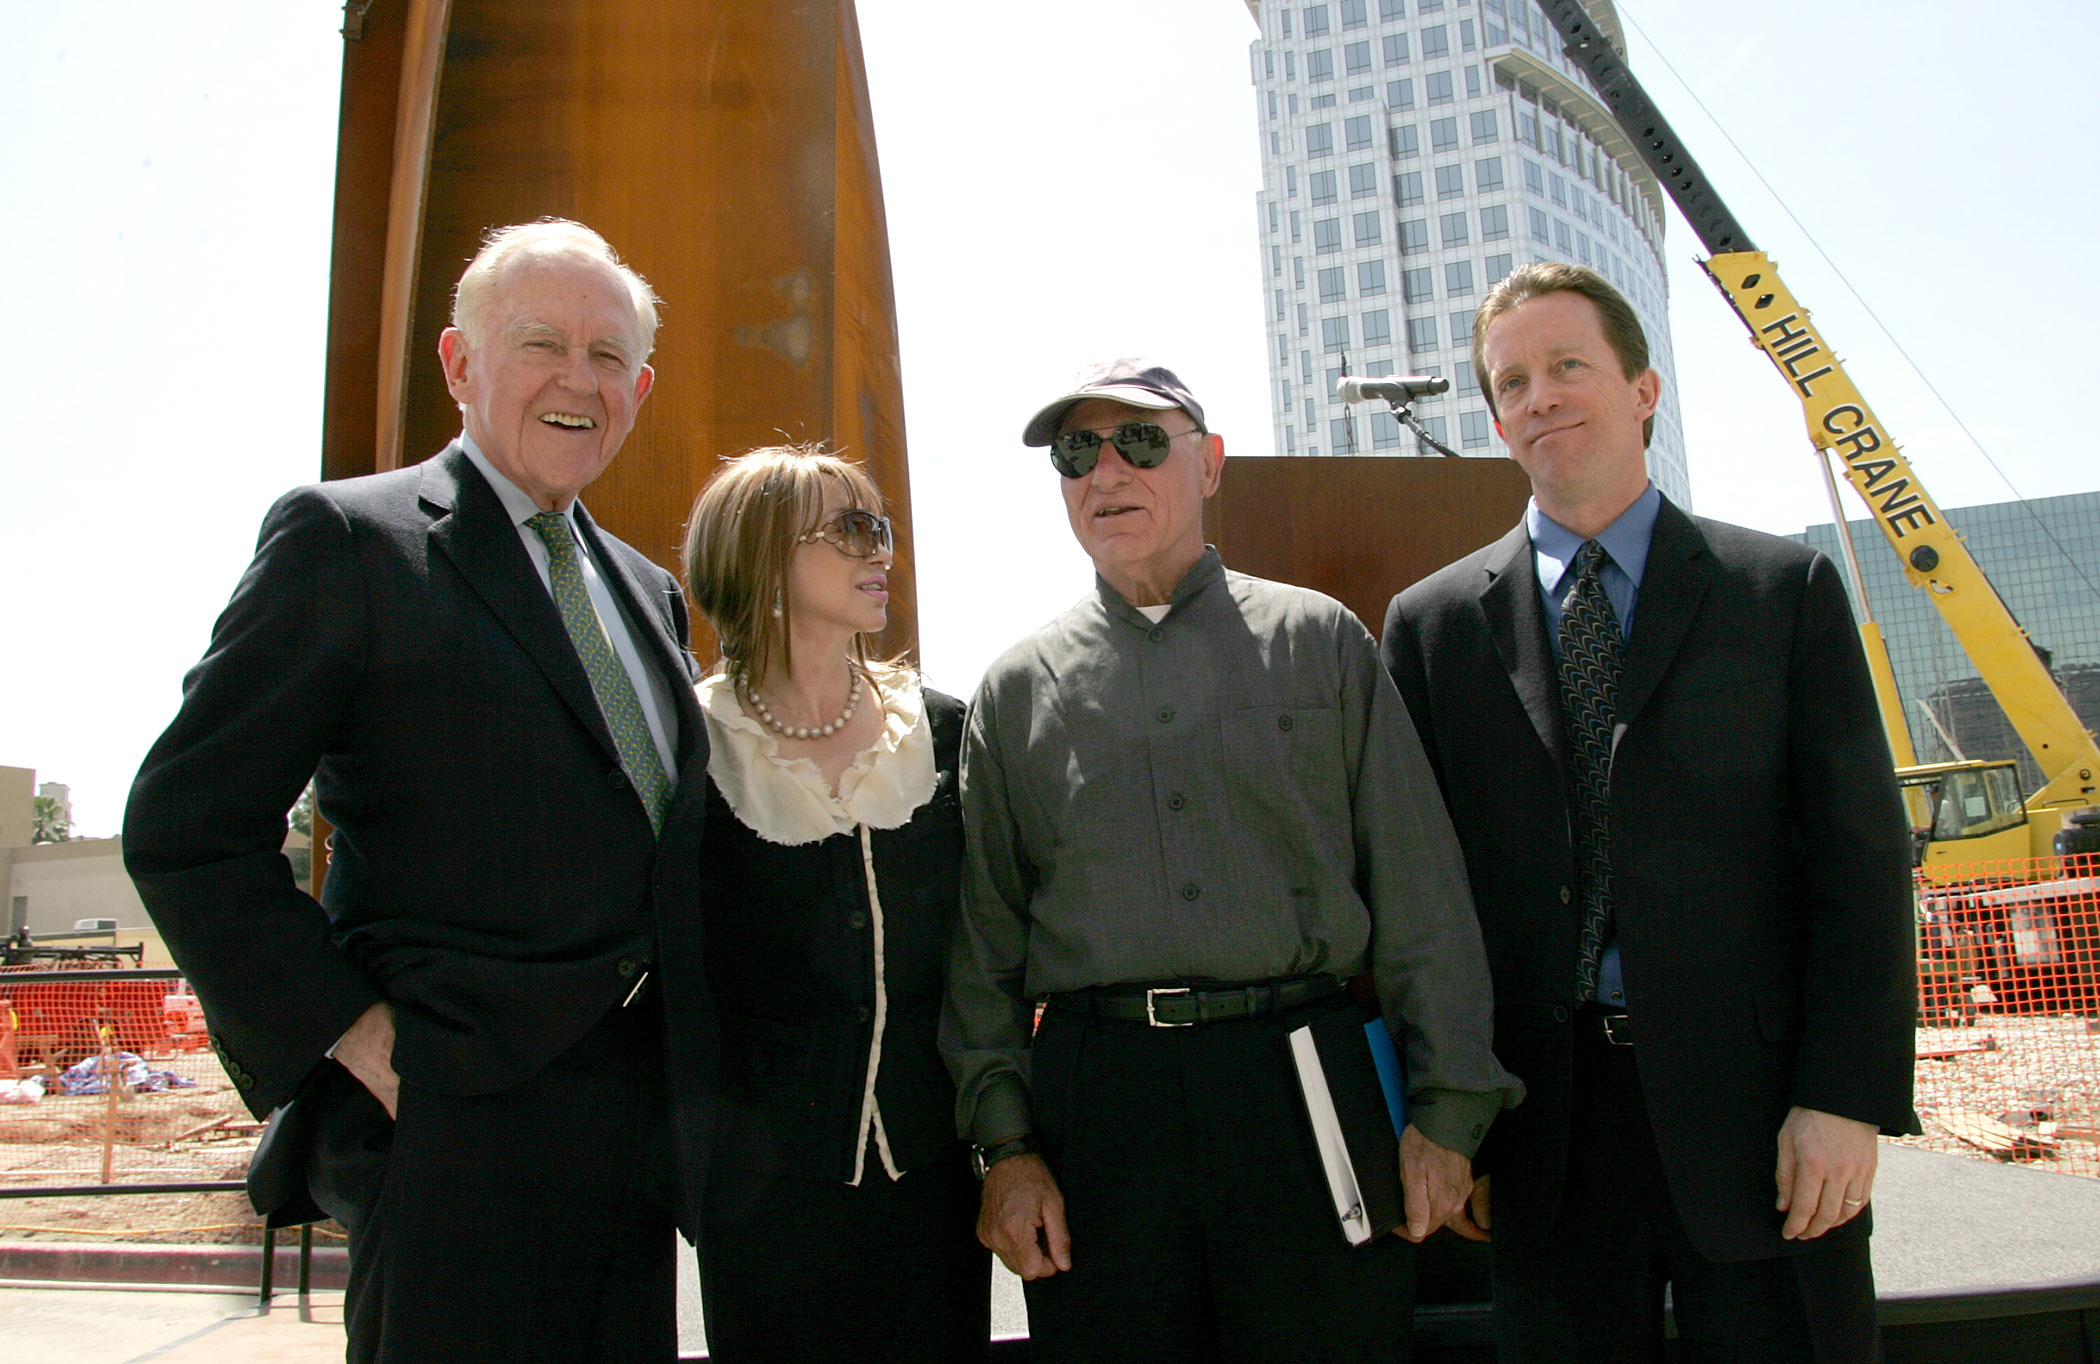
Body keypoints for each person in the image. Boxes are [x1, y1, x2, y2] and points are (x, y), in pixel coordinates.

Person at [123, 220, 716, 1363]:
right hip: (450, 1126)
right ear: (459, 364)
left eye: (607, 357)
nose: (577, 380)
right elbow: (187, 829)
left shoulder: (647, 591)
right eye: (542, 343)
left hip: (631, 1141)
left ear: (639, 390)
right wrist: (346, 1030)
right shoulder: (349, 542)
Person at [1381, 263, 1917, 1362]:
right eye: (1514, 380)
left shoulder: (1781, 593)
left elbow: (1861, 872)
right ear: (1495, 418)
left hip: (1764, 1126)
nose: (1541, 397)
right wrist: (1452, 1114)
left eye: (1568, 366)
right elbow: (1421, 906)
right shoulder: (1430, 630)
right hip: (1545, 1137)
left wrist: (1844, 1098)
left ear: (1643, 388)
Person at [942, 360, 1520, 1364]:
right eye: (1077, 452)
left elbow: (1422, 893)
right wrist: (1007, 1146)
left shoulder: (1321, 642)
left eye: (1140, 442)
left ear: (1208, 464)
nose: (1105, 470)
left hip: (1305, 1080)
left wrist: (1448, 1111)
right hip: (1101, 1105)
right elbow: (983, 949)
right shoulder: (1015, 691)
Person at [681, 446, 988, 1362]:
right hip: (763, 1198)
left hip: (935, 1187)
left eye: (882, 528)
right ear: (763, 554)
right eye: (852, 530)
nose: (880, 551)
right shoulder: (688, 745)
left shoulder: (942, 726)